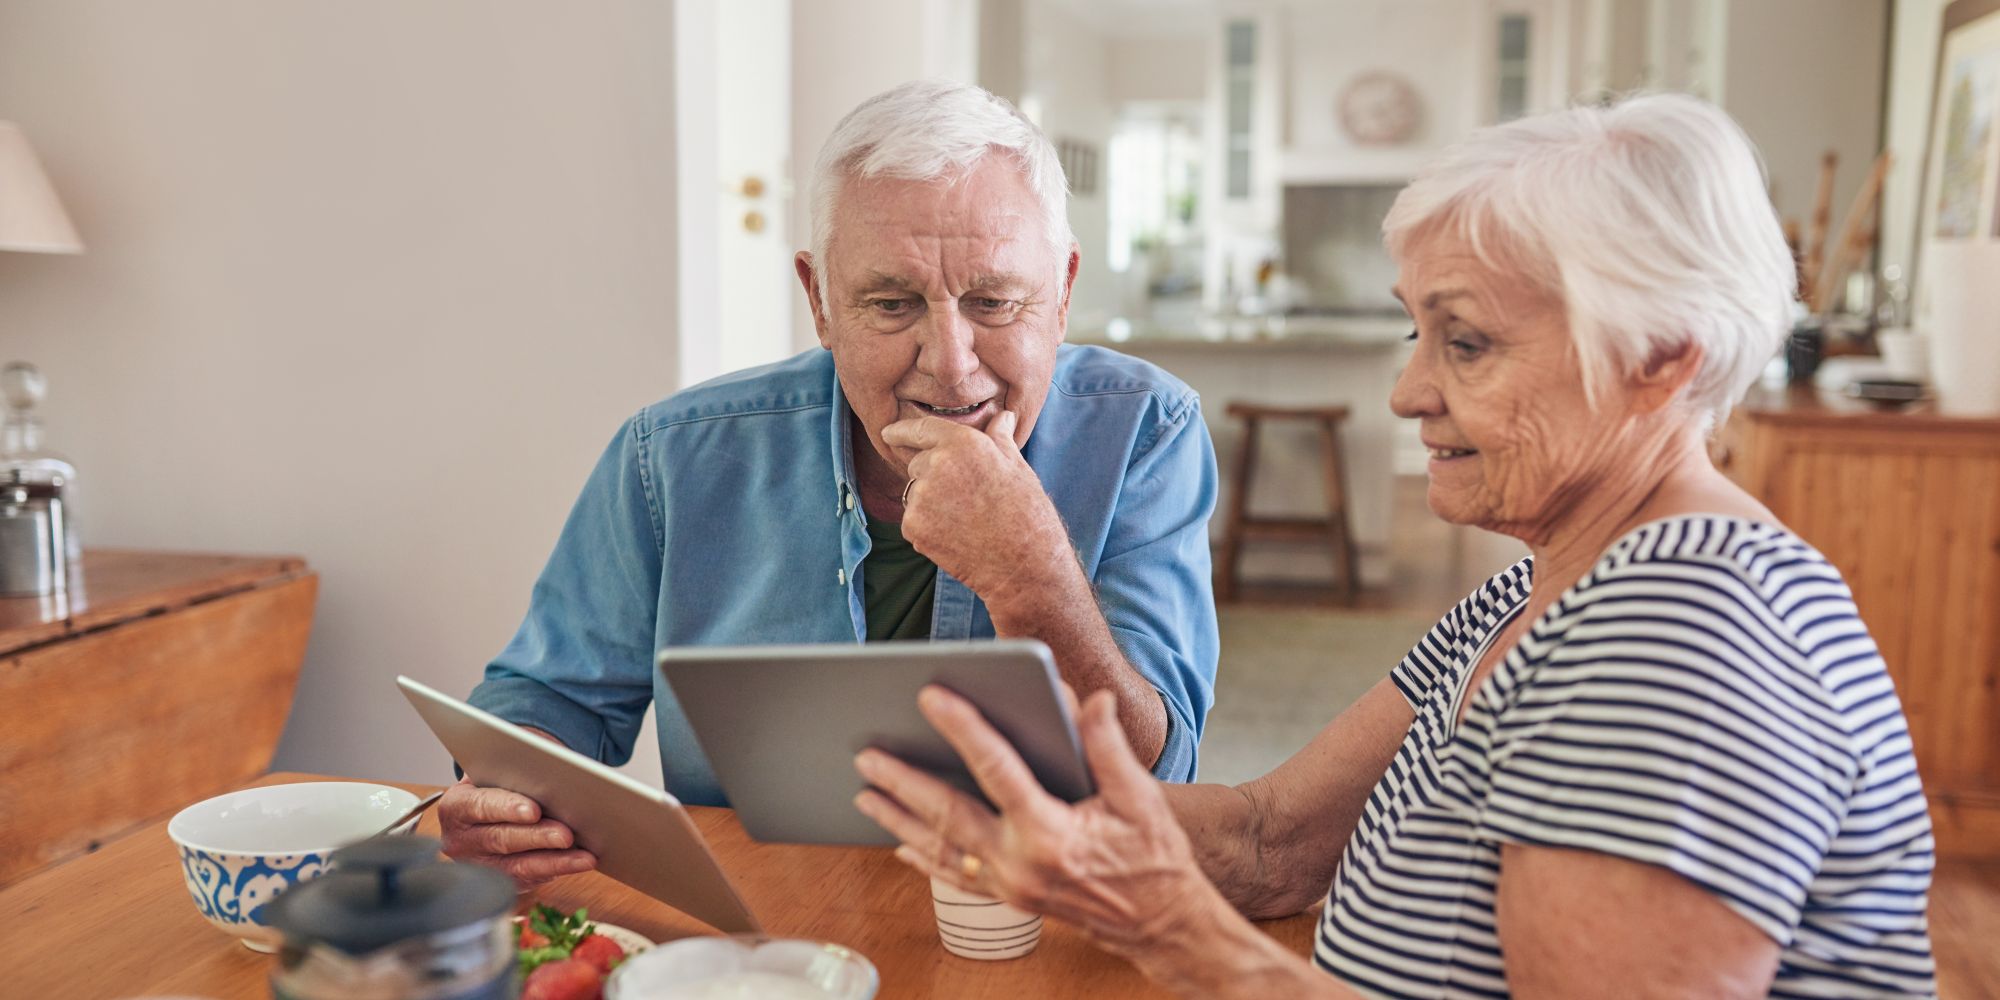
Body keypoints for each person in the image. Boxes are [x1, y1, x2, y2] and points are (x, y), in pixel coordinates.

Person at [857, 94, 1937, 998]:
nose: (1407, 390)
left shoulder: (1681, 633)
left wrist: (1185, 940)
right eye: (1413, 330)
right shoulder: (1543, 588)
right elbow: (1267, 840)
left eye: (1463, 342)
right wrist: (1041, 827)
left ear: (1658, 358)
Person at [437, 79, 1220, 886]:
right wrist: (504, 800)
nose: (950, 363)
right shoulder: (671, 455)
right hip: (765, 927)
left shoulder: (1145, 431)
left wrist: (1031, 572)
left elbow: (1164, 773)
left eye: (993, 301)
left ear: (1061, 292)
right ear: (818, 300)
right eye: (891, 302)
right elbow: (547, 702)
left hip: (1048, 919)